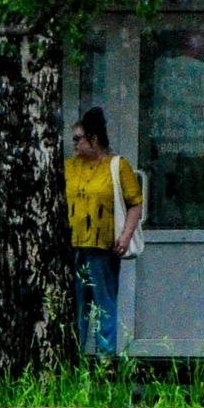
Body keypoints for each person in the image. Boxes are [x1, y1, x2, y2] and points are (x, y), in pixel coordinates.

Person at [64, 107, 143, 355]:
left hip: (103, 246)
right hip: (74, 245)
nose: (74, 144)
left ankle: (105, 359)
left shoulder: (117, 167)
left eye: (79, 139)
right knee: (77, 305)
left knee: (103, 303)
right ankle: (75, 356)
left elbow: (135, 203)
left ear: (94, 139)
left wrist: (126, 235)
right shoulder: (70, 167)